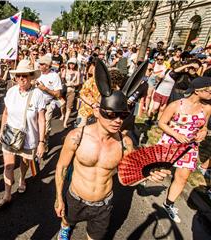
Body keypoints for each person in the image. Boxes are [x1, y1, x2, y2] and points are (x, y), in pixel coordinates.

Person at [54, 59, 169, 240]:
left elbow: (127, 179)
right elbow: (61, 168)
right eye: (111, 114)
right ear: (98, 111)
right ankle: (66, 228)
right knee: (67, 221)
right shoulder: (77, 136)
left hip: (103, 205)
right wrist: (59, 197)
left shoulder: (125, 144)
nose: (117, 120)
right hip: (74, 198)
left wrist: (147, 173)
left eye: (123, 115)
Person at [0, 59, 46, 208]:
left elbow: (41, 120)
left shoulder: (37, 94)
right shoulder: (10, 92)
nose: (21, 78)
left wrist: (42, 142)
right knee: (8, 166)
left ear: (31, 76)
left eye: (25, 75)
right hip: (10, 135)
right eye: (18, 76)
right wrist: (1, 130)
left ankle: (22, 179)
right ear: (15, 78)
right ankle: (7, 195)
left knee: (24, 163)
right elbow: (5, 113)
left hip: (28, 137)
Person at [158, 77, 211, 223]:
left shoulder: (207, 108)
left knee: (182, 178)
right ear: (198, 90)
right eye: (209, 91)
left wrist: (203, 132)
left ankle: (168, 204)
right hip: (170, 143)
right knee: (159, 171)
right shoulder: (176, 105)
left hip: (190, 147)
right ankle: (143, 182)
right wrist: (177, 135)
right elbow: (161, 123)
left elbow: (204, 126)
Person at [36, 55, 62, 152]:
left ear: (47, 66)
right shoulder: (37, 74)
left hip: (48, 105)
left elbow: (58, 94)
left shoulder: (55, 76)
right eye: (39, 63)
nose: (39, 65)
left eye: (42, 64)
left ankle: (44, 142)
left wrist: (45, 89)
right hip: (36, 106)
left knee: (46, 128)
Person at [60, 57, 80, 128]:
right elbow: (62, 79)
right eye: (70, 63)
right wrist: (62, 74)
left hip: (71, 91)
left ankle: (65, 122)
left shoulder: (77, 72)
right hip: (64, 90)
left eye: (73, 64)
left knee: (69, 108)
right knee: (62, 105)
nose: (72, 65)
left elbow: (78, 83)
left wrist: (71, 84)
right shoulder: (65, 70)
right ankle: (63, 114)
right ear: (68, 64)